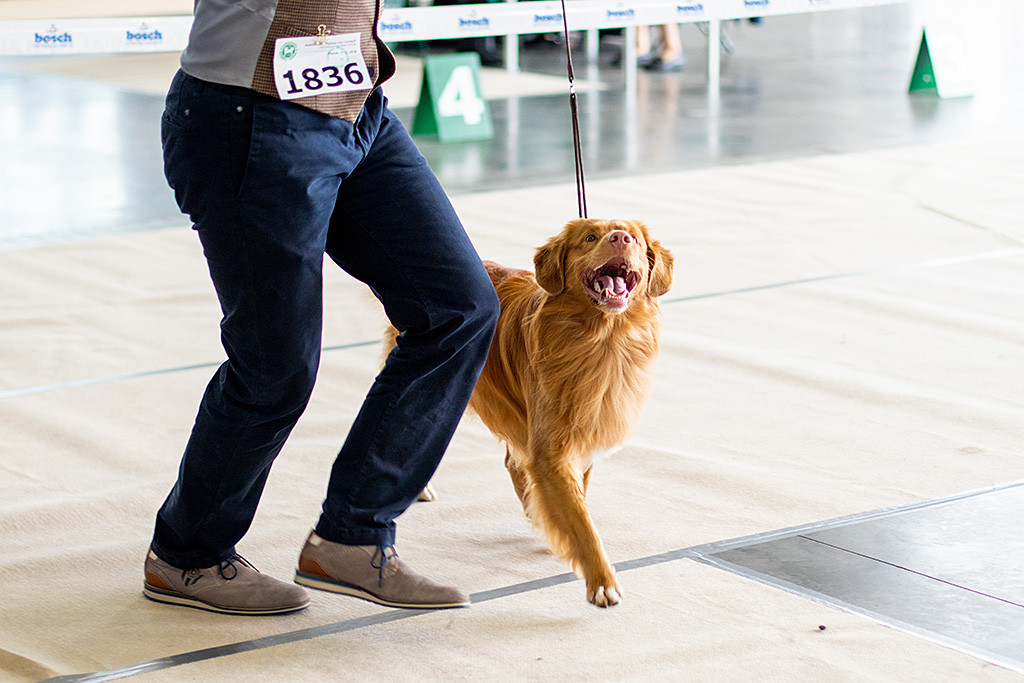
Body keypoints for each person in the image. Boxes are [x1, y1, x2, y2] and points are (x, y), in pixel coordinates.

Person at [143, 0, 501, 615]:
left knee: (459, 308)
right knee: (275, 365)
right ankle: (187, 556)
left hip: (353, 106)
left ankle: (352, 537)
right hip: (249, 119)